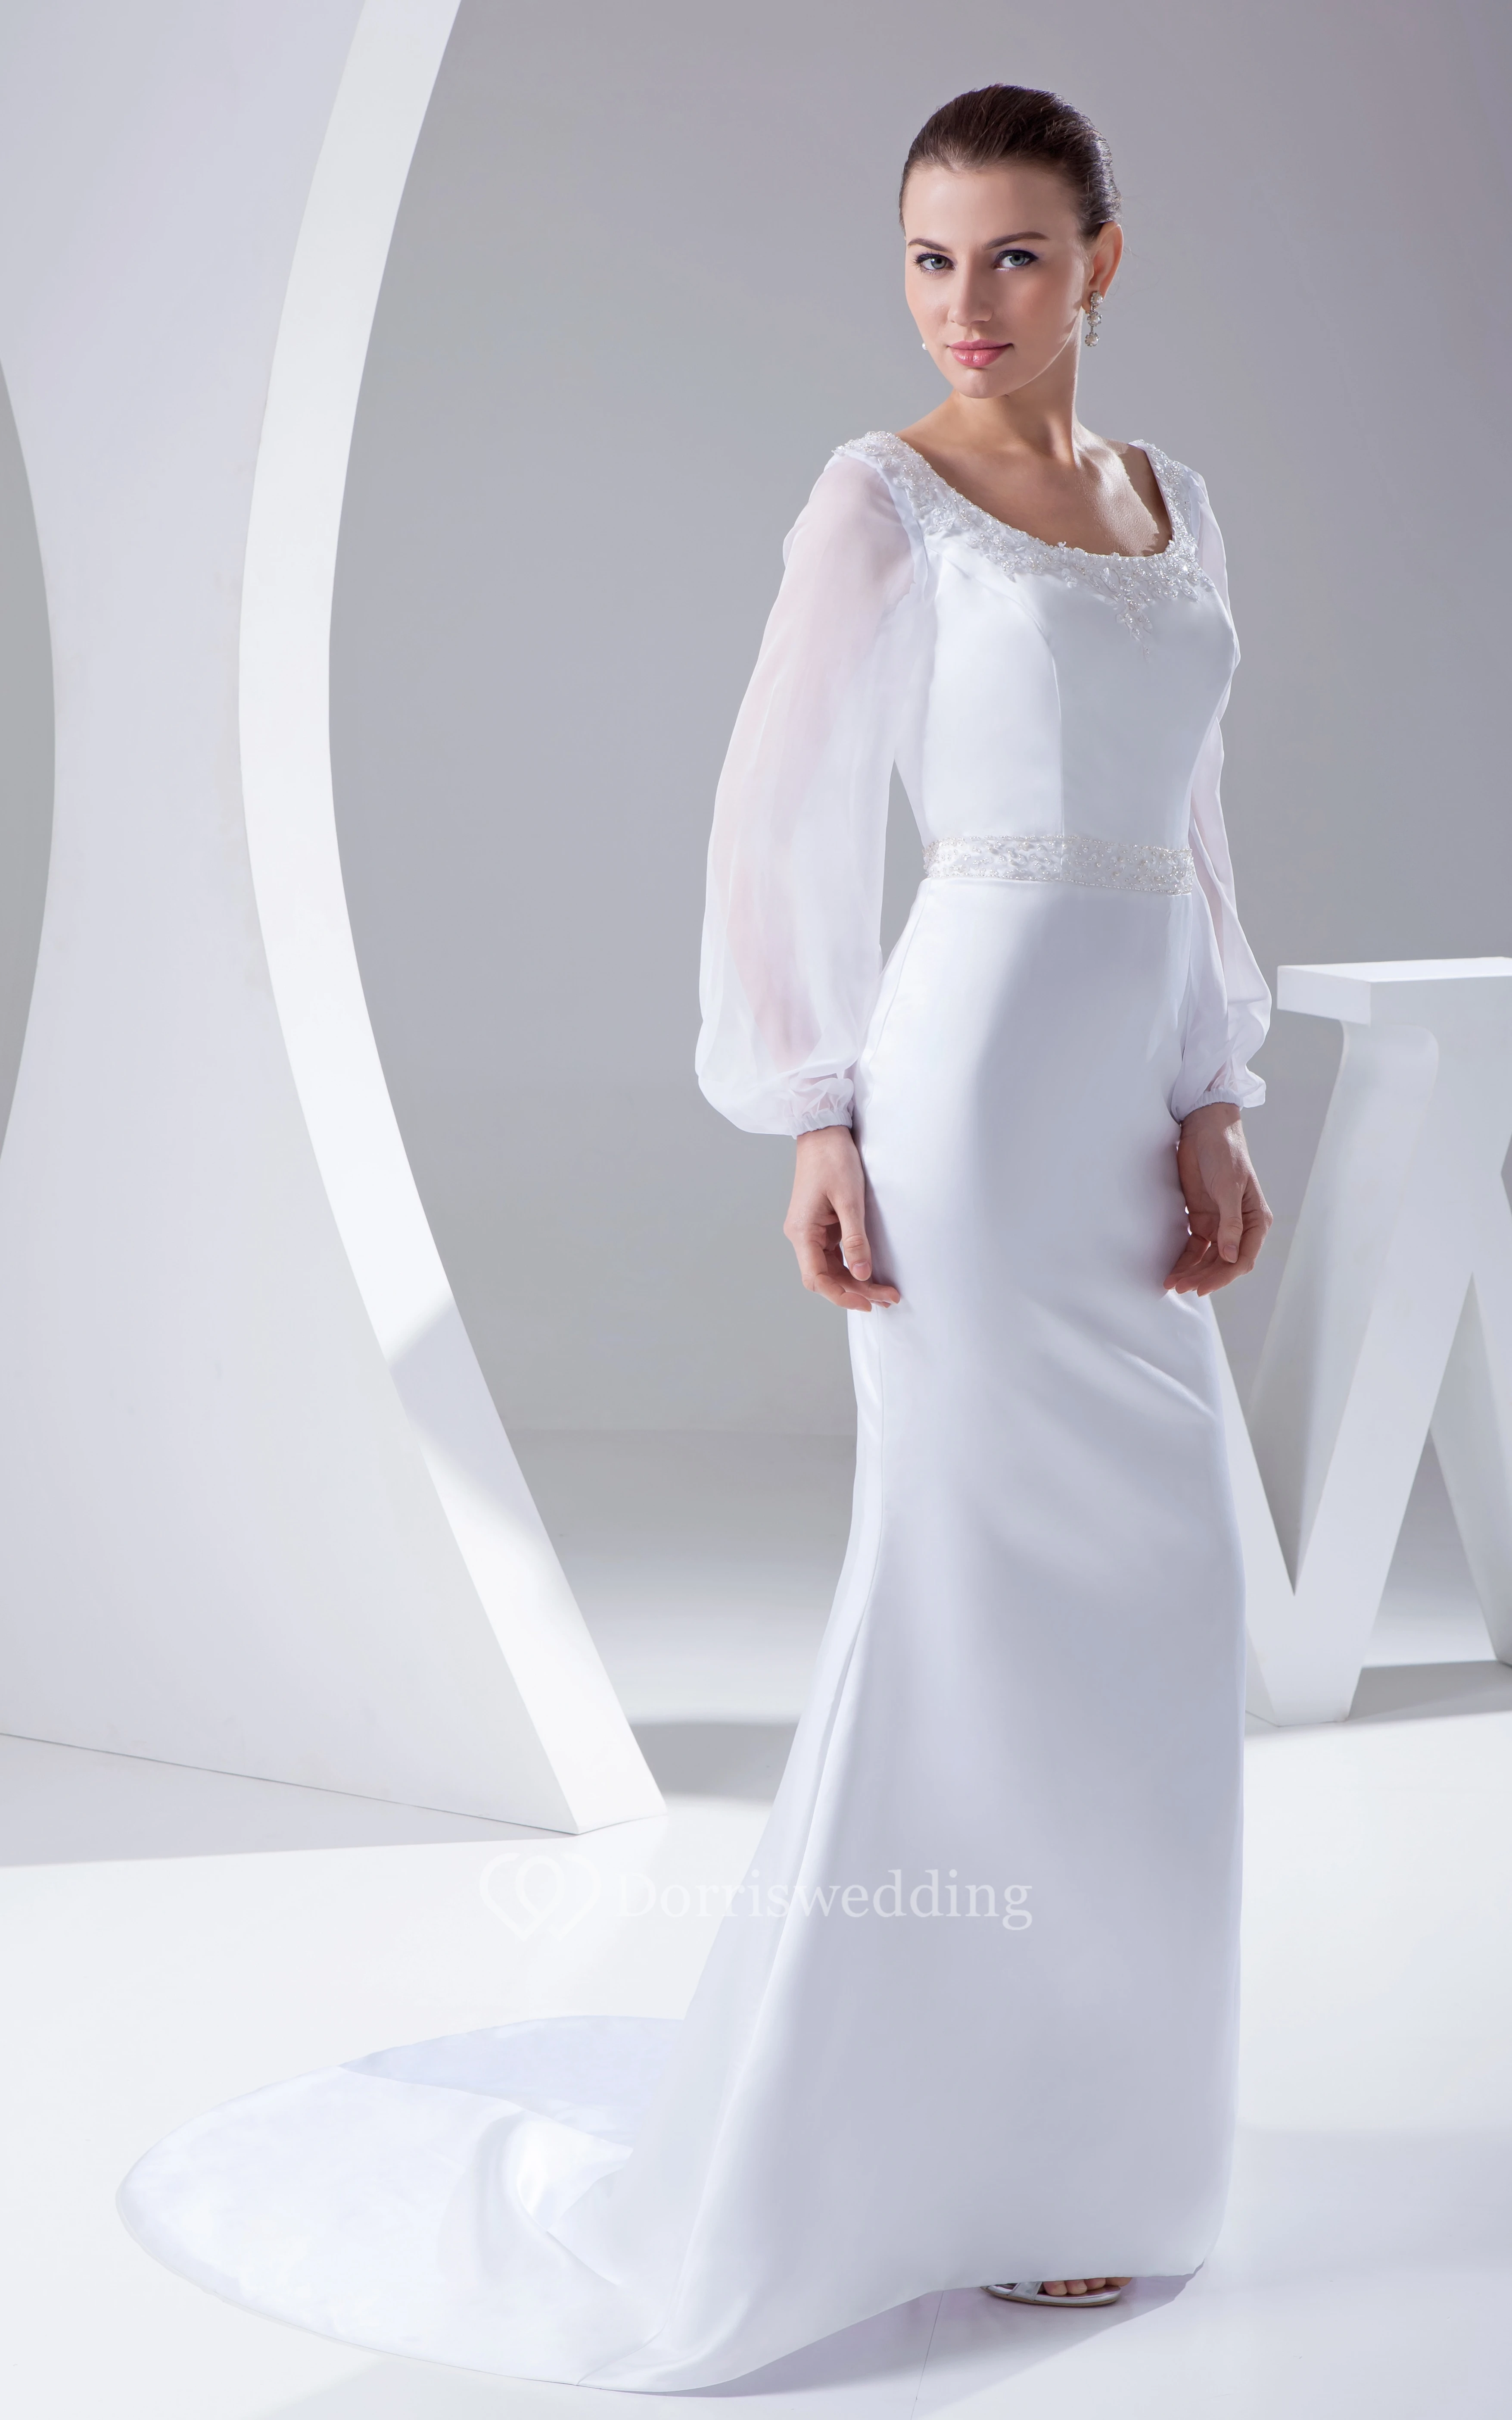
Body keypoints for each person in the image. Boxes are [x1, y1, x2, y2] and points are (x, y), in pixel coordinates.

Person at [120, 82, 1272, 2388]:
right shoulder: (880, 501)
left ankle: (1093, 2143)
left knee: (1153, 1610)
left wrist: (1214, 1089)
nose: (967, 303)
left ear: (1104, 265)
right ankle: (922, 2147)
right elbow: (785, 816)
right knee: (966, 1609)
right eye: (930, 257)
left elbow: (1193, 823)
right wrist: (820, 1111)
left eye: (1016, 255)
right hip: (966, 1095)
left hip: (1123, 1085)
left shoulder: (1172, 505)